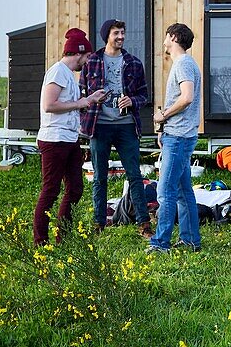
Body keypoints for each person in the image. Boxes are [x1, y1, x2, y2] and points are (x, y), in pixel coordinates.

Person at [34, 28, 107, 246]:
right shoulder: (57, 72)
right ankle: (40, 240)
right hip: (54, 140)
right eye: (86, 57)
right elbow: (49, 105)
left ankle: (62, 237)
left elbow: (69, 105)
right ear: (78, 53)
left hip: (69, 139)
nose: (86, 62)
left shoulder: (68, 76)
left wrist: (90, 99)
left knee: (75, 188)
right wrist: (80, 103)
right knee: (51, 190)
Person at [79, 19, 152, 237]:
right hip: (99, 126)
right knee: (99, 176)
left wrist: (132, 101)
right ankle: (98, 224)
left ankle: (144, 224)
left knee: (134, 175)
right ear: (107, 36)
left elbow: (144, 95)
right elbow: (82, 95)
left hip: (126, 126)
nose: (121, 37)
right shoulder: (91, 61)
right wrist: (90, 107)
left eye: (122, 32)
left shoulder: (134, 63)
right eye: (116, 33)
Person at [148, 24, 202, 253]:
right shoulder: (185, 64)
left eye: (166, 35)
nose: (164, 40)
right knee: (182, 191)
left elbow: (187, 97)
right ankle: (190, 240)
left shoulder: (183, 64)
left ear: (173, 37)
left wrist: (164, 115)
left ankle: (161, 243)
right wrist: (163, 127)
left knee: (165, 191)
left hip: (179, 137)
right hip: (178, 134)